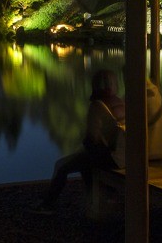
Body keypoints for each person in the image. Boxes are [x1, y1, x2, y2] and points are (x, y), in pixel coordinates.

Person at [33, 70, 126, 214]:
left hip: (113, 158)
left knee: (62, 167)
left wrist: (83, 148)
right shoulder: (121, 103)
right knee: (85, 163)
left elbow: (92, 138)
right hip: (125, 155)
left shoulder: (97, 106)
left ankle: (48, 205)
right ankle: (98, 197)